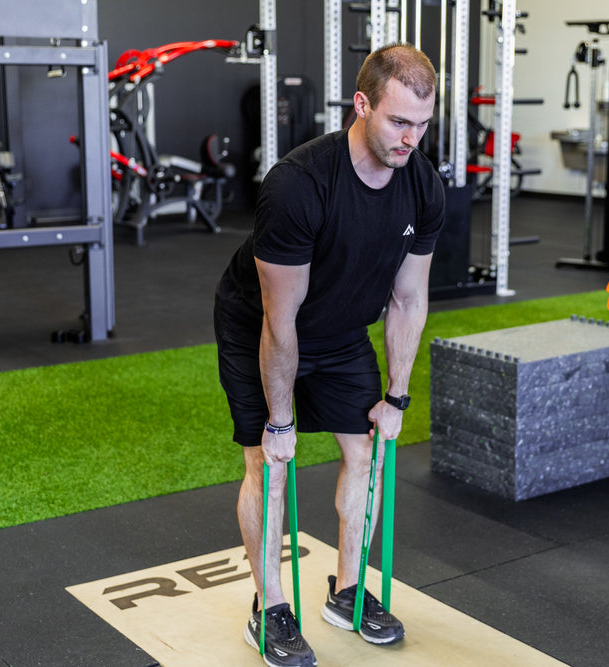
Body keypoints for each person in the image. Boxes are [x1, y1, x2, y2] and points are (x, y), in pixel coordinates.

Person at [214, 43, 444, 667]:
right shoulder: (297, 185)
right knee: (269, 462)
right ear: (362, 105)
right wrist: (281, 421)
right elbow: (280, 320)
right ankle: (270, 607)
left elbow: (407, 297)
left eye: (423, 126)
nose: (411, 140)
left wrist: (396, 396)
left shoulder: (422, 184)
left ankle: (346, 593)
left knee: (364, 449)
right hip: (259, 324)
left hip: (342, 330)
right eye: (399, 122)